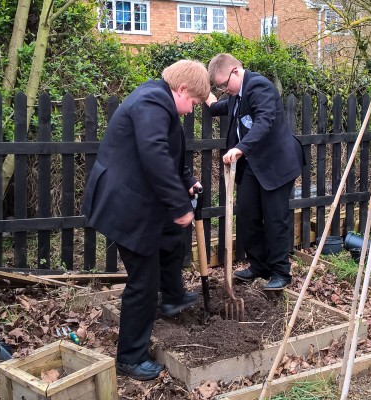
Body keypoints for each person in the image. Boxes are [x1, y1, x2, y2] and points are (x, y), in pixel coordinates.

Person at [82, 60, 210, 381]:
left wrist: (186, 182)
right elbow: (153, 152)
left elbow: (169, 152)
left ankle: (174, 297)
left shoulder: (159, 100)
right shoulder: (151, 103)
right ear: (181, 90)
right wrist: (180, 205)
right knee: (143, 282)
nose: (192, 111)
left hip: (136, 198)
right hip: (125, 204)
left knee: (170, 237)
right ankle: (130, 357)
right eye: (193, 102)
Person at [205, 53, 304, 290]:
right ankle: (259, 266)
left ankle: (281, 272)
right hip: (254, 164)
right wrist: (204, 93)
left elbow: (264, 121)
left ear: (236, 72)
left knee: (274, 218)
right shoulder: (235, 94)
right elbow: (218, 107)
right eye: (218, 86)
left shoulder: (259, 86)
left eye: (223, 84)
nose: (223, 90)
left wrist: (239, 148)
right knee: (248, 214)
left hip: (277, 164)